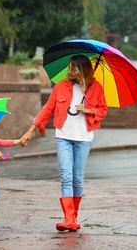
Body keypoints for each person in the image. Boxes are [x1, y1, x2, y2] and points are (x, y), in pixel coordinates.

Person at [20, 55, 108, 232]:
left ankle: (73, 217)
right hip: (64, 137)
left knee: (77, 178)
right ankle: (68, 218)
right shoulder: (61, 86)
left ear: (82, 70)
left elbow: (103, 110)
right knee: (66, 176)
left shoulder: (95, 88)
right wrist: (31, 129)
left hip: (84, 138)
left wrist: (88, 109)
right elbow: (48, 108)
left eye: (73, 68)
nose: (69, 71)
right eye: (69, 67)